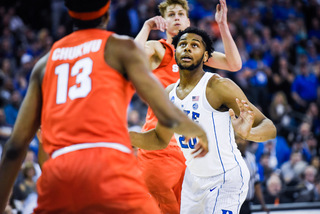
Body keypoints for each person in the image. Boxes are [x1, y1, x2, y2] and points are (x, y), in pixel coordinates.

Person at [0, 1, 209, 213]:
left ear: (70, 16)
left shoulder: (44, 64)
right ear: (107, 15)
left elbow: (14, 149)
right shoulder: (118, 47)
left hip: (60, 173)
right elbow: (166, 109)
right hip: (108, 165)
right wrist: (196, 130)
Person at [130, 27, 277, 214]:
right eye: (182, 45)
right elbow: (159, 139)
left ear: (206, 56)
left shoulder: (218, 87)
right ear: (175, 54)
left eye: (194, 45)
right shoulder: (168, 94)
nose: (187, 48)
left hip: (226, 179)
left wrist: (248, 133)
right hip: (193, 182)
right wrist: (124, 136)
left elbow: (269, 127)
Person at [134, 0, 242, 212]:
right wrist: (146, 27)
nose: (176, 17)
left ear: (188, 20)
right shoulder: (159, 49)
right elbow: (132, 58)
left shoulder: (196, 55)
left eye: (180, 13)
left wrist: (222, 25)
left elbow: (234, 64)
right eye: (171, 13)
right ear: (163, 21)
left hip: (190, 151)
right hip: (161, 147)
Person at [237, 137, 269, 214]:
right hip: (234, 203)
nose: (240, 142)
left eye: (242, 139)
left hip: (248, 203)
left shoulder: (251, 157)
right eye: (237, 139)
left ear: (247, 142)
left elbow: (256, 182)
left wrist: (263, 204)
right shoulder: (230, 158)